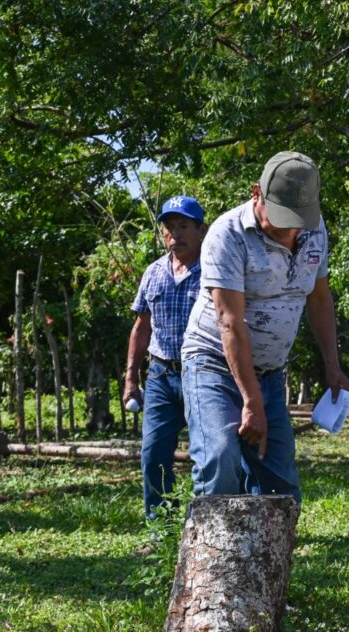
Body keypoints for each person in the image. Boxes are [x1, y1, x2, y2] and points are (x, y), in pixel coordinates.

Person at [179, 151, 349, 502]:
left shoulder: (315, 229)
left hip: (270, 370)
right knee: (220, 458)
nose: (291, 232)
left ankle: (269, 540)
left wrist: (332, 365)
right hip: (213, 363)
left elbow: (319, 298)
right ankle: (211, 539)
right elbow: (229, 322)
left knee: (279, 481)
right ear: (257, 193)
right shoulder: (227, 234)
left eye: (298, 220)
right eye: (282, 219)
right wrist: (251, 400)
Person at [123, 195, 207, 519]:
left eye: (183, 226)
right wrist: (131, 379)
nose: (176, 235)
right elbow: (141, 327)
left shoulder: (214, 271)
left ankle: (206, 524)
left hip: (205, 373)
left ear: (201, 230)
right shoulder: (154, 272)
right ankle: (162, 528)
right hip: (161, 375)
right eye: (169, 227)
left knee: (209, 453)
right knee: (153, 454)